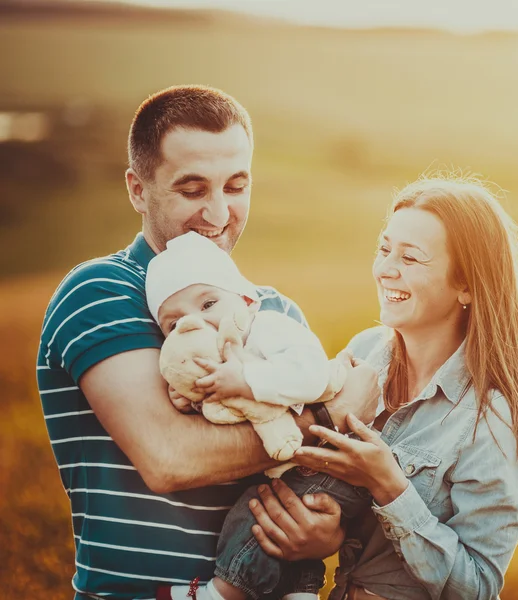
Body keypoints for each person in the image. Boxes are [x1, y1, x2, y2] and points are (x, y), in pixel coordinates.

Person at [36, 85, 379, 600]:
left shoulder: (274, 311)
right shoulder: (101, 291)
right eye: (193, 190)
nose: (218, 215)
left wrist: (324, 535)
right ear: (137, 189)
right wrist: (320, 418)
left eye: (236, 186)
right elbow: (170, 459)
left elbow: (315, 477)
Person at [253, 175, 518, 599]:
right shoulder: (363, 354)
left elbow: (477, 588)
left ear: (467, 284)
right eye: (384, 250)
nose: (385, 269)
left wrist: (390, 486)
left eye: (411, 259)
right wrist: (328, 536)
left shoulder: (492, 419)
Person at [144, 231, 372, 600]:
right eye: (174, 324)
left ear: (247, 301)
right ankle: (300, 592)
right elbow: (233, 413)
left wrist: (246, 381)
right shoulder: (223, 362)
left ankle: (219, 593)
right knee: (285, 518)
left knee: (255, 513)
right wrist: (193, 398)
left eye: (208, 304)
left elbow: (311, 374)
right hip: (297, 468)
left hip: (328, 465)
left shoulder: (269, 328)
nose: (196, 324)